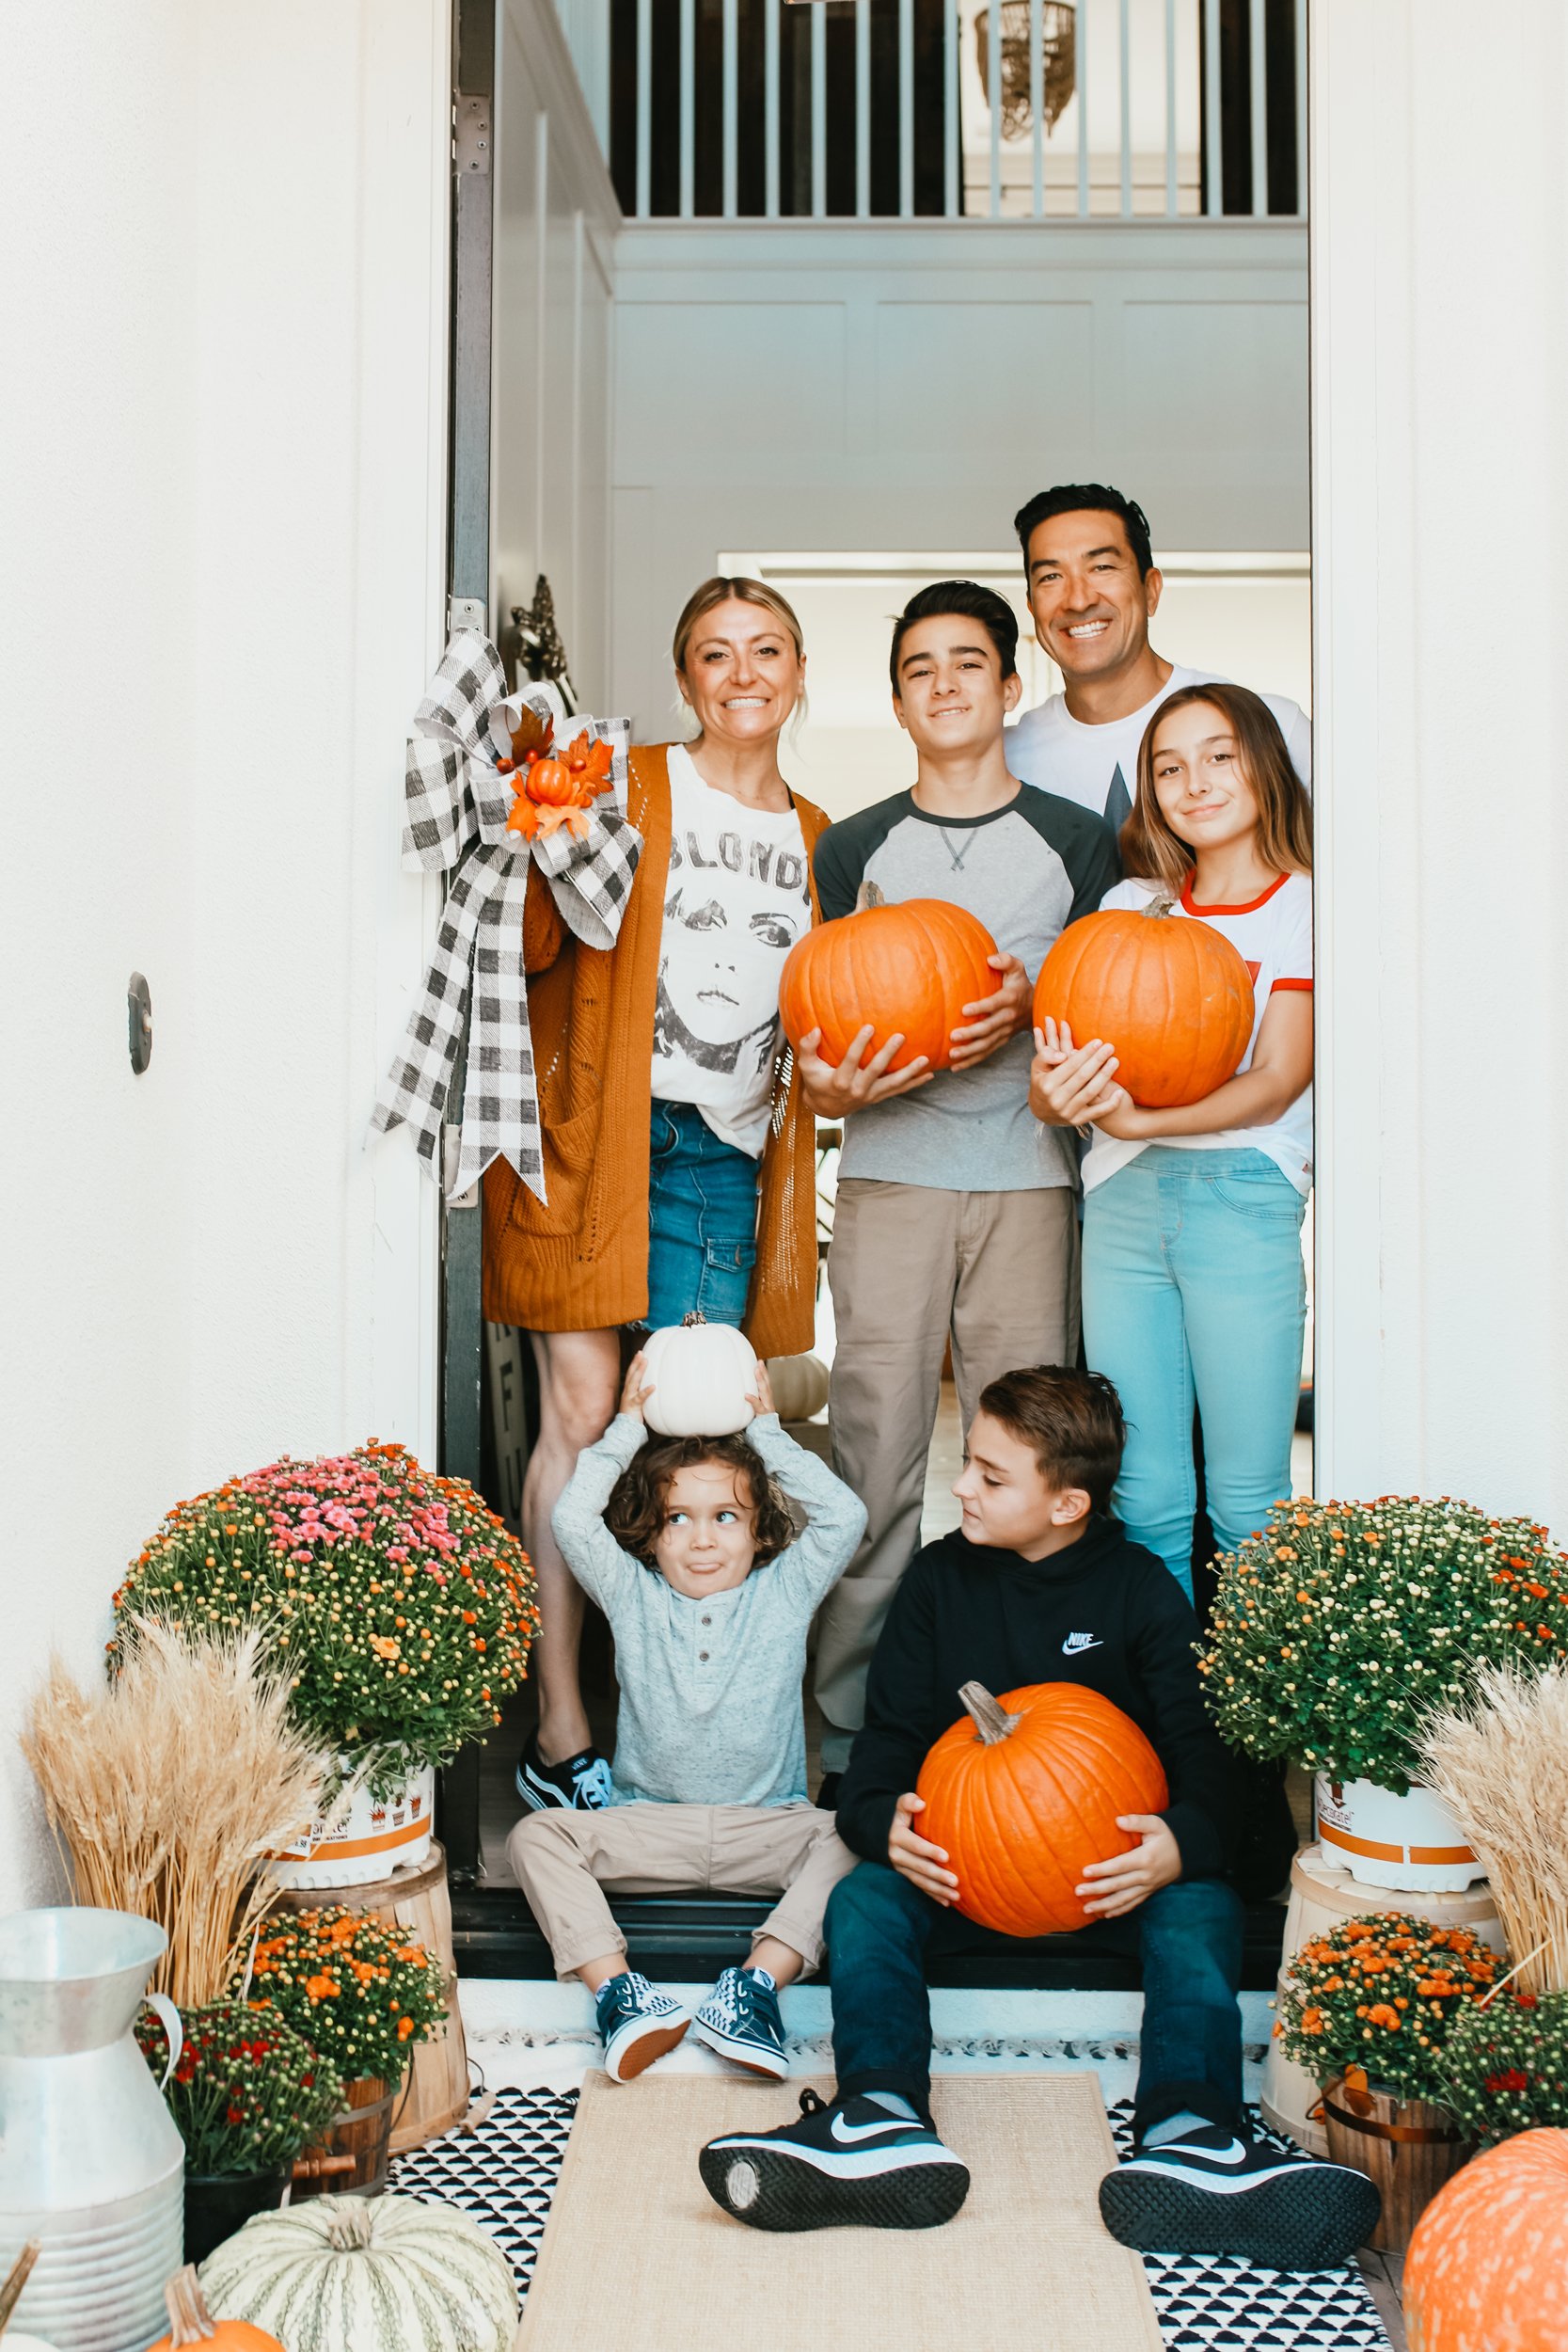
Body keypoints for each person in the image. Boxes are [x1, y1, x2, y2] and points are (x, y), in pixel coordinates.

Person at [697, 1366, 1377, 2269]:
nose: (961, 1485)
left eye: (989, 1474)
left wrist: (1180, 1845)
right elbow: (888, 1737)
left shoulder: (1135, 1589)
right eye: (968, 1465)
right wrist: (881, 1821)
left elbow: (1204, 1751)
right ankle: (878, 2118)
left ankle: (1193, 2138)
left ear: (1066, 1505)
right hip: (966, 1876)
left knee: (1202, 1908)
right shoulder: (940, 1580)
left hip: (1113, 1884)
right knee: (862, 1901)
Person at [483, 579, 829, 1814]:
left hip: (717, 1164)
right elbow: (523, 938)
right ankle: (562, 1724)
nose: (742, 673)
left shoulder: (822, 838)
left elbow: (828, 1024)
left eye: (765, 650)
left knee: (687, 1427)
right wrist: (533, 834)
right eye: (713, 654)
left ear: (798, 671)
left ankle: (682, 1735)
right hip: (589, 1133)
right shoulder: (620, 781)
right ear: (684, 680)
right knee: (579, 1414)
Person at [801, 581, 1119, 1792]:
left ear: (1007, 687)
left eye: (967, 663)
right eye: (920, 668)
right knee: (872, 1461)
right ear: (896, 700)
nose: (944, 684)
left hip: (1032, 1180)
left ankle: (1032, 1743)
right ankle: (847, 1742)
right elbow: (825, 1026)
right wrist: (828, 1087)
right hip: (888, 1175)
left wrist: (1034, 1001)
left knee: (1023, 1472)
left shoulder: (1074, 841)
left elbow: (1110, 995)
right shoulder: (853, 845)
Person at [1029, 684, 1314, 1602]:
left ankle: (1249, 1730)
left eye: (1218, 755)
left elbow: (1275, 1079)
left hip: (1243, 1197)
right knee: (1145, 1493)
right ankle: (1166, 1719)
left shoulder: (1304, 905)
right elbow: (1071, 1055)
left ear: (1266, 765)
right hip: (1120, 1204)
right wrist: (1054, 1094)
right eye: (1166, 766)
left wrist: (1137, 1120)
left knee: (1247, 1498)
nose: (1192, 781)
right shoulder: (1130, 903)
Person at [509, 1354, 865, 2082]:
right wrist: (627, 1427)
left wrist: (766, 1433)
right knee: (535, 1836)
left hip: (767, 1824)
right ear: (651, 1533)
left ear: (760, 1531)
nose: (702, 1539)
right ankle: (622, 1995)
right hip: (649, 1827)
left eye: (725, 1517)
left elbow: (846, 1516)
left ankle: (754, 1988)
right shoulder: (632, 1593)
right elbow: (571, 1518)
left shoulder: (785, 1591)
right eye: (679, 1519)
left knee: (861, 1834)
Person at [1006, 482, 1310, 831]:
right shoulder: (1005, 761)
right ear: (1031, 607)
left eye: (1102, 567)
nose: (1078, 600)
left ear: (1151, 590)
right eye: (1051, 576)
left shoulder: (1269, 727)